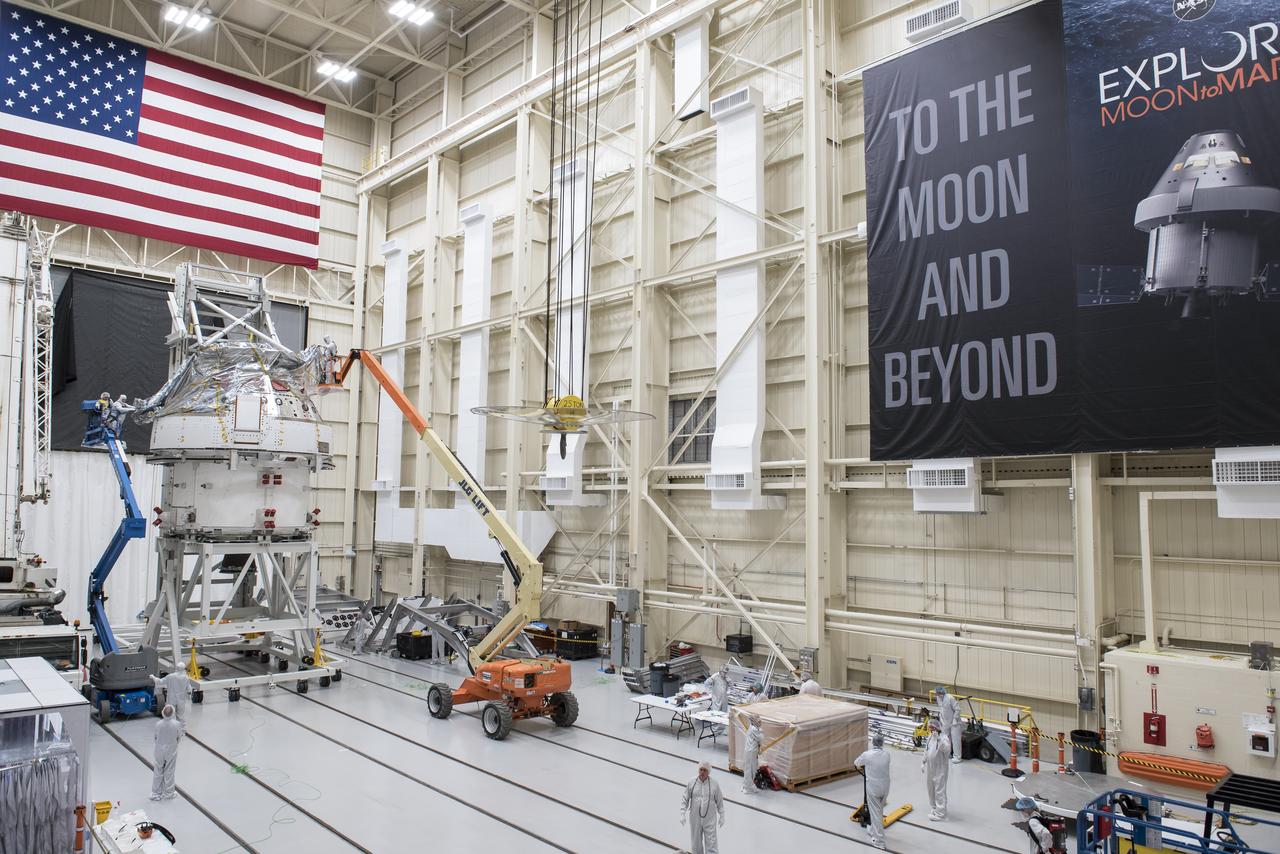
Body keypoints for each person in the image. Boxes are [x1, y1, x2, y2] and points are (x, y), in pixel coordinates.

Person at [854, 732, 891, 850]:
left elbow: (856, 763)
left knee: (875, 813)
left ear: (873, 742)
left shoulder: (867, 755)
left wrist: (866, 765)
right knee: (879, 810)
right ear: (882, 743)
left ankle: (879, 841)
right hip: (885, 787)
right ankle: (873, 829)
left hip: (873, 787)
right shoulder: (887, 754)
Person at [680, 760, 725, 854]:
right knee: (696, 844)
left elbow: (720, 801)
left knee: (711, 843)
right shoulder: (692, 782)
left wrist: (722, 815)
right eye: (701, 769)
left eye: (705, 770)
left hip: (710, 819)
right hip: (695, 819)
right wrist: (682, 813)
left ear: (708, 772)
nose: (702, 772)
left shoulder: (714, 784)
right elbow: (685, 799)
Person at [150, 705, 182, 801]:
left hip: (159, 750)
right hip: (171, 750)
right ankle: (168, 793)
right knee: (169, 771)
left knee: (158, 770)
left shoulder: (158, 724)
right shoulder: (177, 724)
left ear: (163, 712)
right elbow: (178, 737)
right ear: (173, 713)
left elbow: (155, 737)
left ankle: (155, 794)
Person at [921, 716, 950, 820]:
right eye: (930, 728)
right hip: (930, 767)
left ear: (937, 727)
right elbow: (927, 749)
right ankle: (934, 808)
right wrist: (923, 761)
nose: (931, 730)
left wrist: (939, 739)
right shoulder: (930, 737)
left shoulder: (944, 738)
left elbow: (947, 750)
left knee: (939, 790)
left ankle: (940, 813)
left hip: (940, 768)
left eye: (932, 728)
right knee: (931, 788)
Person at [936, 684, 963, 763]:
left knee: (956, 740)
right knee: (946, 739)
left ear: (942, 692)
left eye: (939, 693)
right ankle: (947, 754)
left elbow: (957, 709)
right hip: (945, 722)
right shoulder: (938, 698)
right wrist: (942, 721)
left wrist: (955, 719)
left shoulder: (950, 698)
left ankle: (957, 757)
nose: (938, 695)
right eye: (937, 694)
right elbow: (941, 709)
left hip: (955, 723)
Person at [741, 715, 763, 795]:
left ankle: (748, 785)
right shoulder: (755, 730)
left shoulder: (754, 728)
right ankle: (747, 787)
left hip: (752, 751)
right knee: (750, 769)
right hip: (751, 752)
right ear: (753, 721)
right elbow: (761, 738)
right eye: (758, 720)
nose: (760, 721)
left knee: (751, 768)